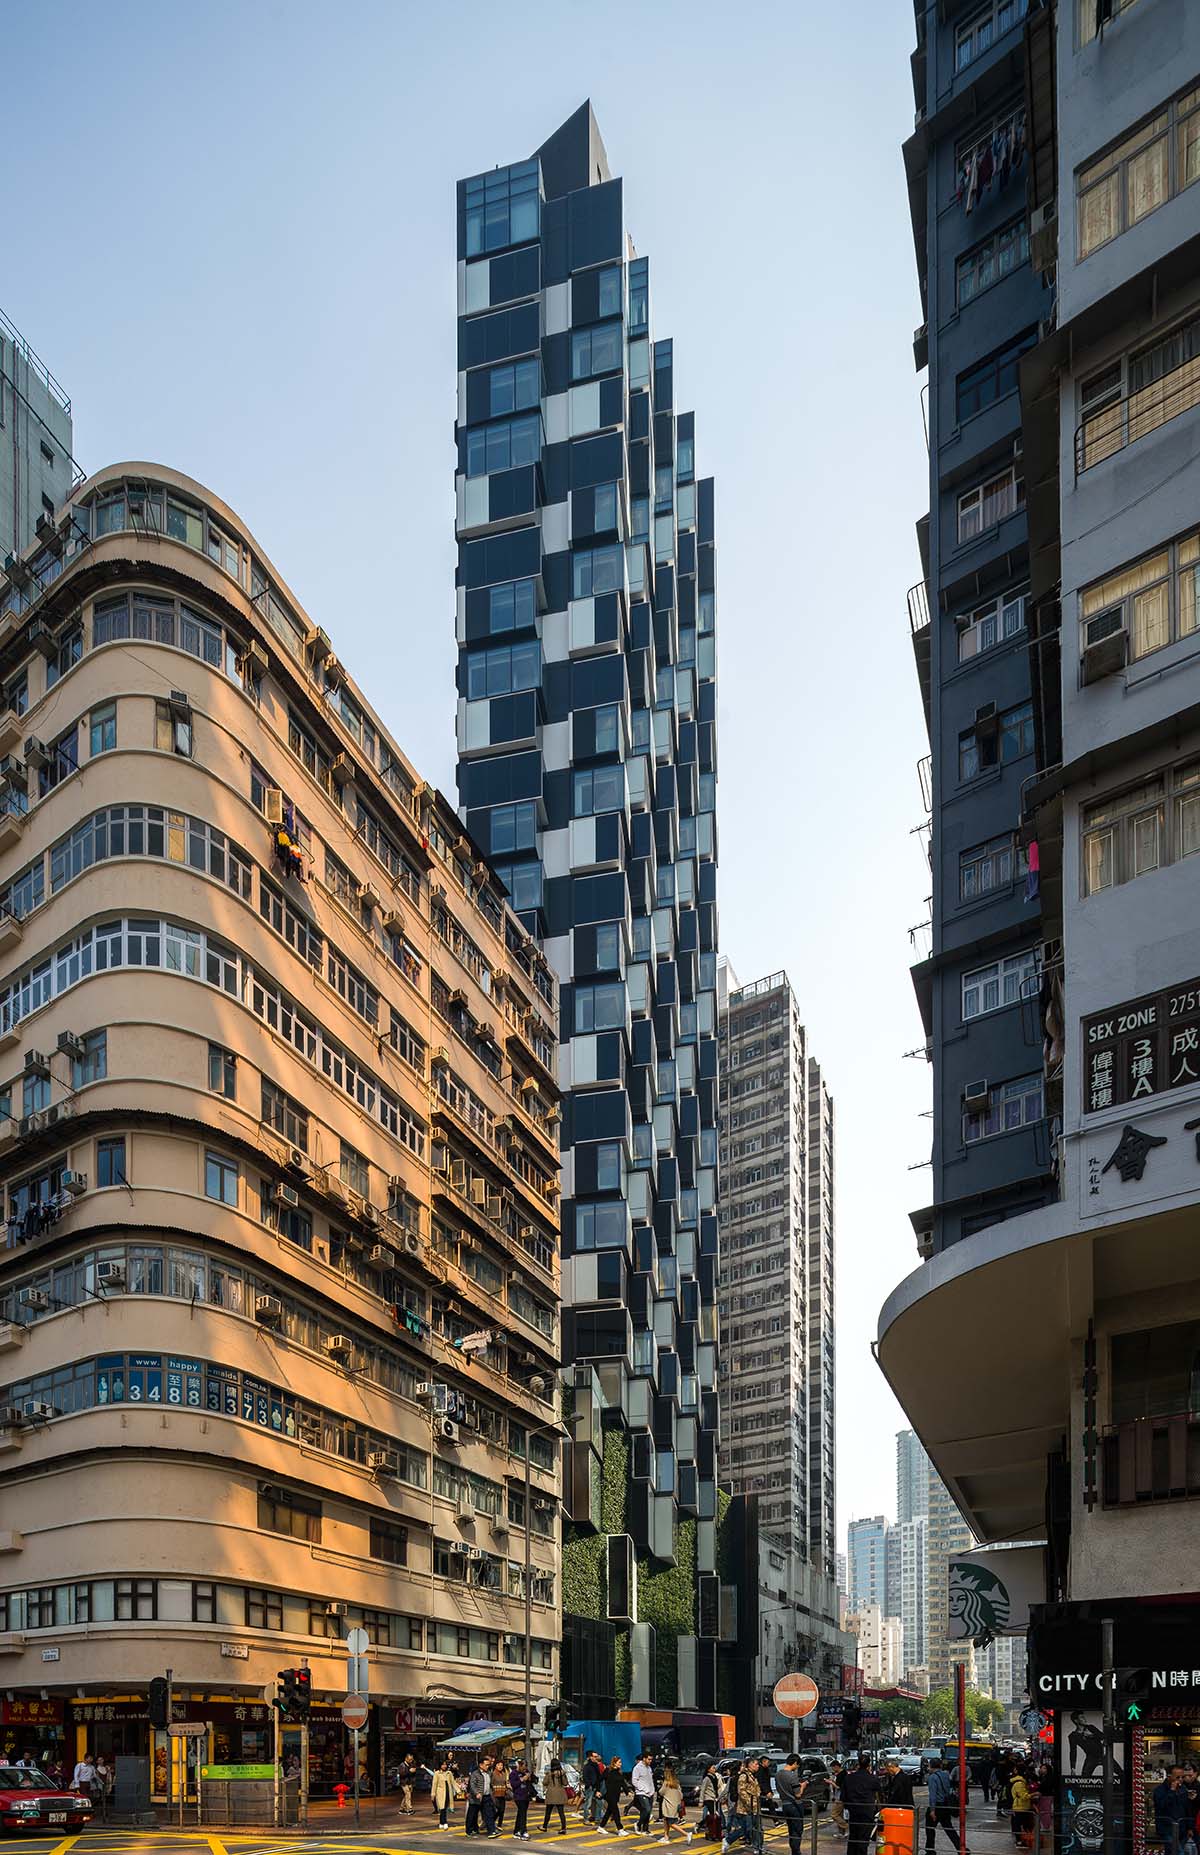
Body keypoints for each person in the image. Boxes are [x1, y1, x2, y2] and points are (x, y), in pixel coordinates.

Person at [842, 1754, 882, 1855]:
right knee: (863, 1838)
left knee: (853, 1837)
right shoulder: (873, 1779)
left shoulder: (849, 1778)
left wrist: (848, 1806)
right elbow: (879, 1794)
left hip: (853, 1812)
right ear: (869, 1765)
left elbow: (843, 1796)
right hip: (867, 1812)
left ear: (858, 1764)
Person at [925, 1759, 965, 1855]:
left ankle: (930, 1850)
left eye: (929, 1766)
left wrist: (932, 1810)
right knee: (949, 1829)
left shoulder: (932, 1777)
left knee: (930, 1829)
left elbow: (933, 1795)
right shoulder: (946, 1775)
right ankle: (961, 1848)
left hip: (937, 1805)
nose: (928, 1768)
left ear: (931, 1766)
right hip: (945, 1805)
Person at [776, 1756, 810, 1855]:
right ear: (795, 1763)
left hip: (785, 1805)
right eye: (798, 1765)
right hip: (795, 1805)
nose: (797, 1767)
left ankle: (794, 1851)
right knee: (797, 1831)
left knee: (791, 1830)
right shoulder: (792, 1776)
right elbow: (798, 1794)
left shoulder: (778, 1774)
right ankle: (796, 1852)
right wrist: (802, 1786)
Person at [1155, 1767, 1192, 1855]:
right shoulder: (1159, 1790)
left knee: (1171, 1852)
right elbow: (1162, 1805)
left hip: (1182, 1828)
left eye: (1182, 1777)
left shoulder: (1183, 1788)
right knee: (1179, 1852)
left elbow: (1187, 1808)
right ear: (1169, 1777)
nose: (1180, 1779)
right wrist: (1171, 1791)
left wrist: (1190, 1827)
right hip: (1167, 1828)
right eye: (1177, 1777)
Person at [658, 1762, 692, 1846]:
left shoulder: (666, 1783)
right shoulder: (676, 1783)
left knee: (671, 1823)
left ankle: (686, 1834)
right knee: (666, 1820)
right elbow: (681, 1795)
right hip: (675, 1805)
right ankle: (666, 1837)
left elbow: (661, 1792)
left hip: (668, 1806)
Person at [600, 1756, 633, 1835]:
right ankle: (620, 1829)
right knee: (616, 1812)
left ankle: (601, 1827)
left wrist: (627, 1791)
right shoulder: (608, 1770)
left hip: (616, 1794)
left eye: (620, 1762)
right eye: (619, 1762)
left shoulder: (619, 1772)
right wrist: (598, 1790)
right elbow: (600, 1779)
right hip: (609, 1794)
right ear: (614, 1763)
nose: (621, 1764)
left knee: (609, 1812)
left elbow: (622, 1783)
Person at [699, 1764, 728, 1843]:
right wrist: (701, 1801)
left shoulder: (715, 1777)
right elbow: (702, 1789)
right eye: (713, 1768)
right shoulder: (707, 1778)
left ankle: (714, 1832)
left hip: (715, 1799)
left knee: (716, 1816)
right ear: (708, 1769)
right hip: (709, 1799)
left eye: (715, 1768)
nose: (714, 1769)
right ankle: (711, 1832)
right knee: (713, 1816)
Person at [466, 1757, 494, 1839]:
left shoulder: (489, 1773)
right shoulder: (475, 1774)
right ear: (481, 1765)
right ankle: (469, 1830)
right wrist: (477, 1793)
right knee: (472, 1815)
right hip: (475, 1798)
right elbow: (472, 1785)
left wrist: (492, 1791)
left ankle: (491, 1830)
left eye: (489, 1765)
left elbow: (490, 1784)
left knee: (489, 1814)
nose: (487, 1766)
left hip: (486, 1796)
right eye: (486, 1765)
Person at [633, 1754, 658, 1835]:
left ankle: (645, 1829)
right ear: (644, 1759)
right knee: (646, 1809)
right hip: (642, 1792)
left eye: (651, 1759)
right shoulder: (637, 1768)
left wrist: (652, 1790)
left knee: (648, 1811)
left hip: (650, 1792)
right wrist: (642, 1789)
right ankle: (638, 1824)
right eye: (649, 1759)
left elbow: (650, 1780)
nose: (650, 1761)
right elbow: (634, 1781)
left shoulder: (649, 1768)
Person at [1009, 1767, 1034, 1848]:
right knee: (1020, 1825)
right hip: (1020, 1807)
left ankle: (1022, 1840)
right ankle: (1020, 1841)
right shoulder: (1019, 1784)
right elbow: (1024, 1796)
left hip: (1021, 1806)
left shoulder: (1020, 1782)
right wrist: (1034, 1794)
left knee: (1021, 1824)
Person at [543, 1761, 568, 1835]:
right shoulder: (562, 1773)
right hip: (560, 1794)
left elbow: (544, 1782)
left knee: (548, 1812)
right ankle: (563, 1828)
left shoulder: (549, 1774)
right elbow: (565, 1783)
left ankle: (544, 1826)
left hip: (551, 1794)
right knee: (561, 1812)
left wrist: (546, 1776)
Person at [510, 1760, 534, 1840]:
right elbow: (513, 1784)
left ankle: (516, 1831)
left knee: (520, 1814)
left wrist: (530, 1777)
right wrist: (522, 1779)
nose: (525, 1768)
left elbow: (534, 1781)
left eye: (526, 1767)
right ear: (519, 1766)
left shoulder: (526, 1772)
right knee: (523, 1814)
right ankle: (523, 1831)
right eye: (523, 1767)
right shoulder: (513, 1773)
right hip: (519, 1796)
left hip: (526, 1796)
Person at [432, 1757, 457, 1831]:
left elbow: (453, 1783)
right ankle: (445, 1822)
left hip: (448, 1793)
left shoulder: (449, 1773)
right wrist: (433, 1794)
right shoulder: (437, 1773)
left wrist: (458, 1790)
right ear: (440, 1765)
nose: (444, 1766)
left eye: (445, 1764)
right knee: (442, 1808)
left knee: (444, 1808)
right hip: (440, 1793)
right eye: (443, 1764)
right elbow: (434, 1784)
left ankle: (441, 1822)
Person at [582, 1750, 606, 1823]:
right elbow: (585, 1777)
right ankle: (586, 1819)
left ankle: (597, 1819)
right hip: (590, 1788)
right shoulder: (587, 1766)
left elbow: (598, 1777)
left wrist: (598, 1788)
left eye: (597, 1756)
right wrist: (590, 1785)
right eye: (595, 1756)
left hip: (596, 1787)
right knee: (588, 1804)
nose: (596, 1758)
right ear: (590, 1757)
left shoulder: (596, 1766)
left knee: (600, 1803)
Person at [492, 1759, 509, 1832]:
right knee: (497, 1810)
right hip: (495, 1795)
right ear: (495, 1766)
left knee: (502, 1811)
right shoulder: (493, 1774)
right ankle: (490, 1822)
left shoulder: (504, 1774)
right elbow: (491, 1784)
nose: (500, 1766)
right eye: (498, 1765)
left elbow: (506, 1783)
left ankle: (499, 1825)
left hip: (502, 1794)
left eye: (501, 1765)